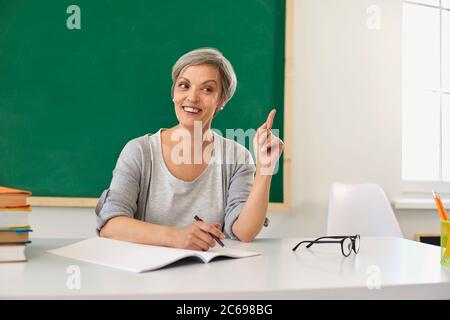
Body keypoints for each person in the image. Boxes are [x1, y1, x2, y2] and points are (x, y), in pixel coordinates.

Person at [96, 47, 284, 251]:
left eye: (207, 89)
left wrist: (265, 169)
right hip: (146, 278)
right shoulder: (140, 151)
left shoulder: (237, 158)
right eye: (184, 86)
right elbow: (110, 225)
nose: (192, 98)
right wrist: (177, 237)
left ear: (221, 101)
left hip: (211, 275)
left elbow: (244, 232)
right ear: (174, 93)